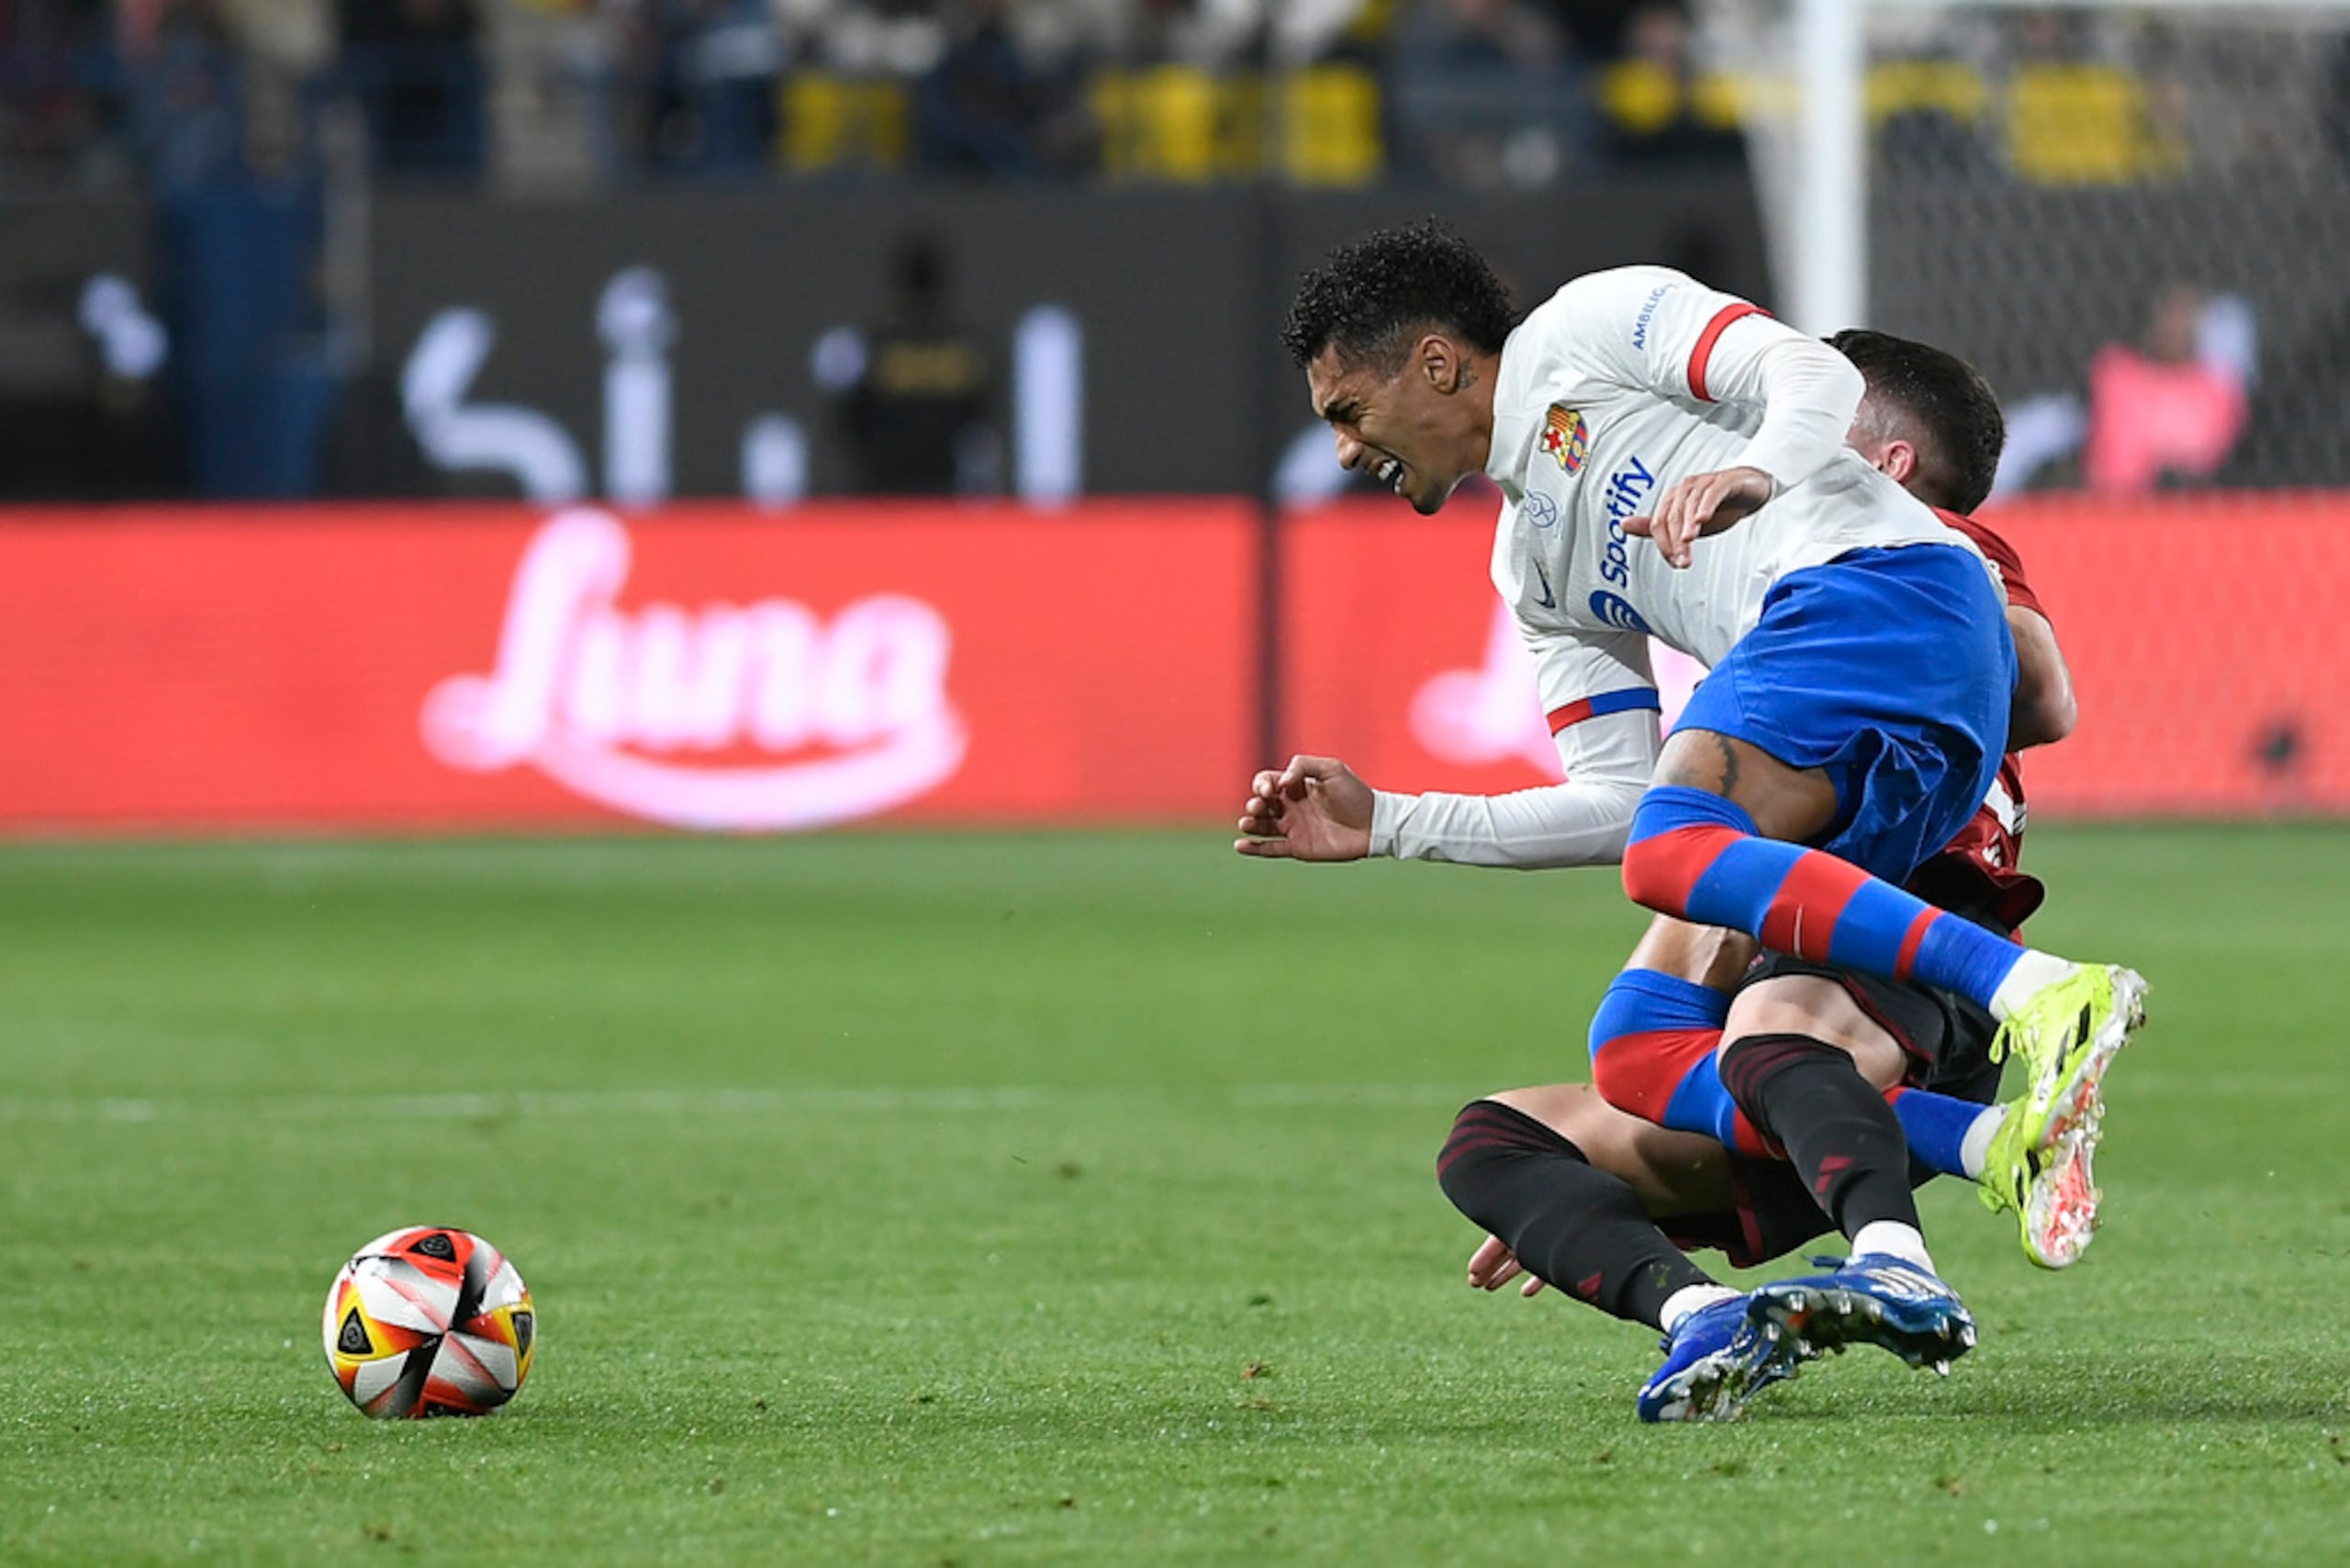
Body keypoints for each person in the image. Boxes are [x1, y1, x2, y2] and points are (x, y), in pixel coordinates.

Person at [1256, 220, 2145, 1387]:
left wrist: (1759, 468)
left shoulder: (1585, 326)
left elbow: (1813, 371)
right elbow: (1623, 807)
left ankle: (2039, 995)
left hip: (1882, 592)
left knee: (1696, 890)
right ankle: (1959, 1167)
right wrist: (1394, 824)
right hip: (1862, 723)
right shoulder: (1529, 564)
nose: (1337, 449)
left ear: (1434, 364)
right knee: (1632, 1043)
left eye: (1345, 410)